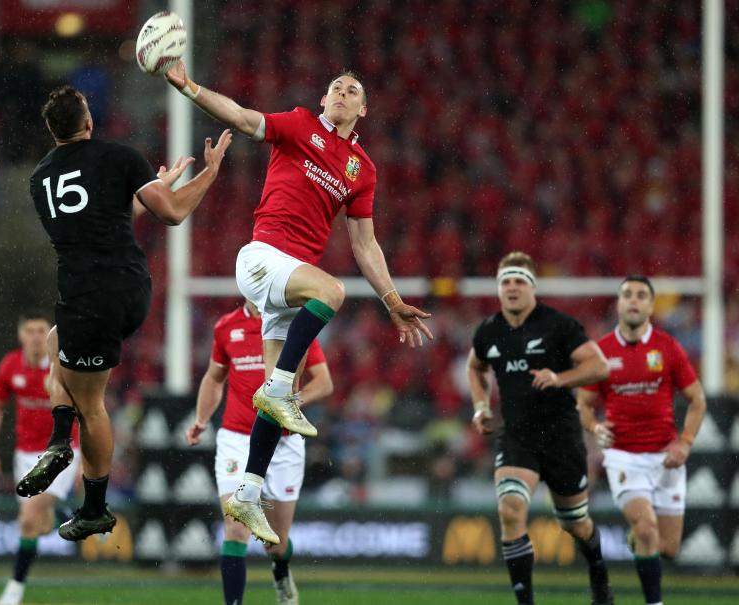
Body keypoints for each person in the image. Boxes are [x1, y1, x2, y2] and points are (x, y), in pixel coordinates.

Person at [162, 62, 433, 544]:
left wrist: (393, 299)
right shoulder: (300, 124)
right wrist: (189, 86)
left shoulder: (361, 169)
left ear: (363, 109)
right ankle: (282, 386)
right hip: (264, 258)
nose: (342, 93)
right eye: (336, 87)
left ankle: (247, 492)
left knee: (273, 405)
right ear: (325, 101)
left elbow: (365, 245)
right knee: (333, 292)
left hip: (288, 289)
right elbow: (244, 118)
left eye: (352, 90)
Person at [18, 86, 232, 541]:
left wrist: (163, 187)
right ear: (89, 121)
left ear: (51, 130)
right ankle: (61, 447)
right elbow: (164, 212)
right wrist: (205, 173)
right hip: (129, 288)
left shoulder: (39, 180)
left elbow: (110, 218)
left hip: (86, 295)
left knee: (89, 404)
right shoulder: (119, 157)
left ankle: (90, 498)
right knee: (55, 348)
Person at [466, 252, 614, 605]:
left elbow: (600, 366)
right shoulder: (489, 331)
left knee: (576, 524)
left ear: (532, 288)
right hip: (518, 436)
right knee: (510, 509)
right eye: (505, 282)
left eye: (519, 281)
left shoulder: (559, 325)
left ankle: (598, 572)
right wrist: (481, 406)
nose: (512, 288)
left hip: (562, 438)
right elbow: (476, 367)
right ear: (498, 289)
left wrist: (560, 377)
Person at [186, 301, 333, 605]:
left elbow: (324, 383)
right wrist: (201, 419)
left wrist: (288, 403)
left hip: (284, 442)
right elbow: (215, 377)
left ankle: (280, 570)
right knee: (235, 526)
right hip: (236, 439)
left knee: (275, 543)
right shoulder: (226, 327)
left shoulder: (294, 324)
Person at [577, 276, 706, 605]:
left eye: (641, 295)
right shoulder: (601, 351)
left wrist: (685, 443)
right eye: (627, 295)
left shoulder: (667, 347)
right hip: (623, 456)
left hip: (666, 457)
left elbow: (697, 400)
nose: (633, 300)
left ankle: (640, 541)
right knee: (646, 526)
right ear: (619, 304)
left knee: (668, 548)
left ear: (650, 306)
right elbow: (584, 406)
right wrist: (595, 428)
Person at [0, 312, 81, 605]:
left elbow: (87, 412)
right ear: (21, 334)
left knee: (27, 519)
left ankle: (14, 590)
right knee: (37, 523)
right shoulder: (11, 365)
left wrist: (87, 460)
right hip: (25, 455)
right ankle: (72, 517)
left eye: (42, 330)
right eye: (31, 330)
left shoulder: (63, 366)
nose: (37, 336)